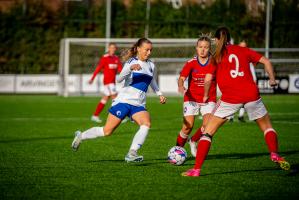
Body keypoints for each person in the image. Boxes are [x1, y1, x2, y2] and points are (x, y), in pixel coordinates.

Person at [182, 27, 290, 177]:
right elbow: (266, 61)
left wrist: (206, 95)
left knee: (208, 132)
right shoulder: (243, 50)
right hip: (251, 94)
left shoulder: (217, 56)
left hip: (230, 98)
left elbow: (208, 78)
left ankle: (196, 169)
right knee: (267, 127)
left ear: (217, 40)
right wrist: (272, 79)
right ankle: (275, 154)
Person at [72, 38, 167, 162]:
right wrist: (130, 68)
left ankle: (132, 153)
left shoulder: (151, 65)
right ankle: (81, 136)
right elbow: (119, 79)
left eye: (151, 50)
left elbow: (152, 81)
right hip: (123, 102)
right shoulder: (131, 62)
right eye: (146, 50)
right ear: (138, 49)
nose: (149, 52)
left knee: (146, 124)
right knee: (107, 131)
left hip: (138, 105)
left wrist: (159, 93)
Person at [176, 35, 216, 157]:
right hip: (191, 98)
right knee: (187, 127)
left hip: (209, 99)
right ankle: (177, 151)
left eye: (206, 47)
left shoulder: (215, 63)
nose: (203, 50)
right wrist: (181, 86)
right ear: (196, 48)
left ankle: (193, 140)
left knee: (207, 125)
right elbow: (182, 78)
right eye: (200, 47)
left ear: (209, 49)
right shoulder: (191, 63)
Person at [89, 43, 122, 123]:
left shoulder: (116, 59)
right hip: (108, 82)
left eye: (114, 48)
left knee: (105, 99)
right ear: (108, 48)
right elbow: (98, 68)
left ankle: (95, 115)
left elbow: (120, 70)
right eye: (111, 48)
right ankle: (117, 116)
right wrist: (92, 78)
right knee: (115, 98)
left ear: (115, 49)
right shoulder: (105, 58)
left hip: (112, 82)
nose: (113, 49)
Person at [237, 40, 258, 122]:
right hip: (236, 82)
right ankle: (236, 116)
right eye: (241, 46)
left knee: (246, 100)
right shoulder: (234, 56)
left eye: (245, 46)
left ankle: (241, 116)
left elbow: (252, 70)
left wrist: (254, 80)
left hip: (245, 83)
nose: (243, 48)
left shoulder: (247, 57)